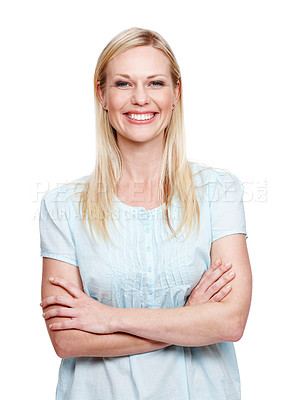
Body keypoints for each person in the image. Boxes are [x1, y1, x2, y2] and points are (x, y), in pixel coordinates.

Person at [39, 27, 252, 400]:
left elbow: (230, 321)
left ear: (176, 94)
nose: (140, 99)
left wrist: (107, 318)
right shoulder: (62, 206)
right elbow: (68, 339)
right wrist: (187, 321)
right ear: (102, 94)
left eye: (155, 83)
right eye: (123, 84)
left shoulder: (218, 191)